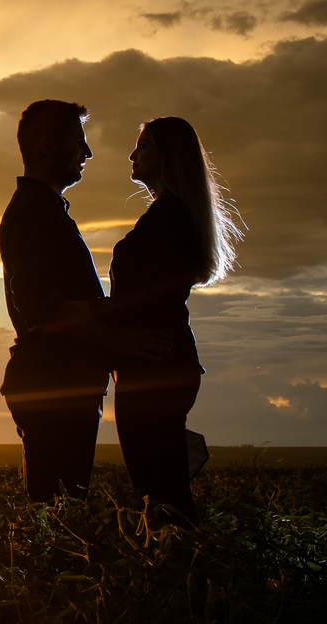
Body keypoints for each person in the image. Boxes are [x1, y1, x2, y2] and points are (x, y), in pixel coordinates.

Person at [106, 117, 242, 522]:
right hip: (161, 361)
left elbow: (146, 299)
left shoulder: (168, 218)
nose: (132, 155)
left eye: (143, 146)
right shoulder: (173, 215)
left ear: (170, 158)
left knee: (159, 493)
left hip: (153, 363)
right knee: (161, 485)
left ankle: (181, 569)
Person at [0, 100, 112, 502]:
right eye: (79, 142)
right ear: (49, 147)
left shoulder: (43, 210)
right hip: (55, 385)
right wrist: (111, 327)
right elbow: (37, 303)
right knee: (59, 513)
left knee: (57, 510)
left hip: (58, 383)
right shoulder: (33, 213)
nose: (88, 153)